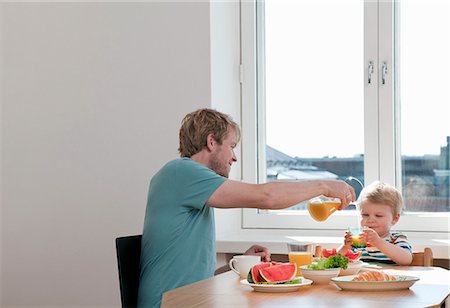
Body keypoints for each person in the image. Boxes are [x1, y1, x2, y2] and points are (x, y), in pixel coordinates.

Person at [137, 108, 355, 307]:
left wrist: (241, 261)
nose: (234, 157)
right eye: (231, 146)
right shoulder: (180, 172)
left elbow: (194, 278)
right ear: (211, 141)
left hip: (188, 299)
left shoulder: (193, 186)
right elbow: (266, 197)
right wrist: (324, 186)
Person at [336, 181, 413, 265]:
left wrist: (378, 242)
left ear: (394, 219)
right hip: (363, 277)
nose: (370, 220)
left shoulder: (396, 239)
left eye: (378, 216)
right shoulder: (359, 240)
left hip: (389, 277)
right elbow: (333, 262)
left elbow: (406, 260)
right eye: (365, 215)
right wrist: (345, 247)